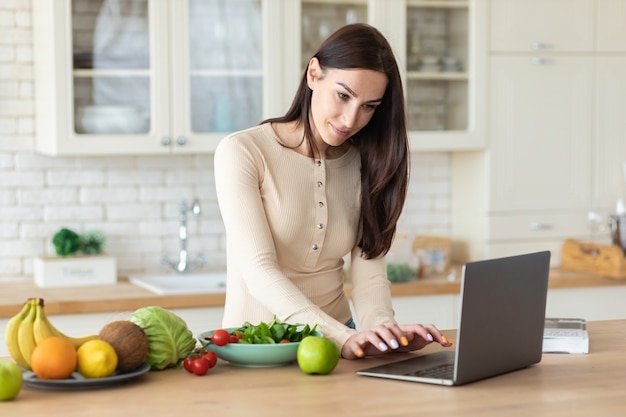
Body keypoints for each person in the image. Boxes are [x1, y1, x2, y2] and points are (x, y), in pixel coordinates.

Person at [214, 23, 452, 359]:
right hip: (256, 352)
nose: (351, 118)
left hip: (339, 349)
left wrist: (383, 333)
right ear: (314, 74)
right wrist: (341, 336)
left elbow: (369, 275)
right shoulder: (244, 151)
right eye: (343, 95)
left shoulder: (366, 163)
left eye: (369, 106)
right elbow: (258, 269)